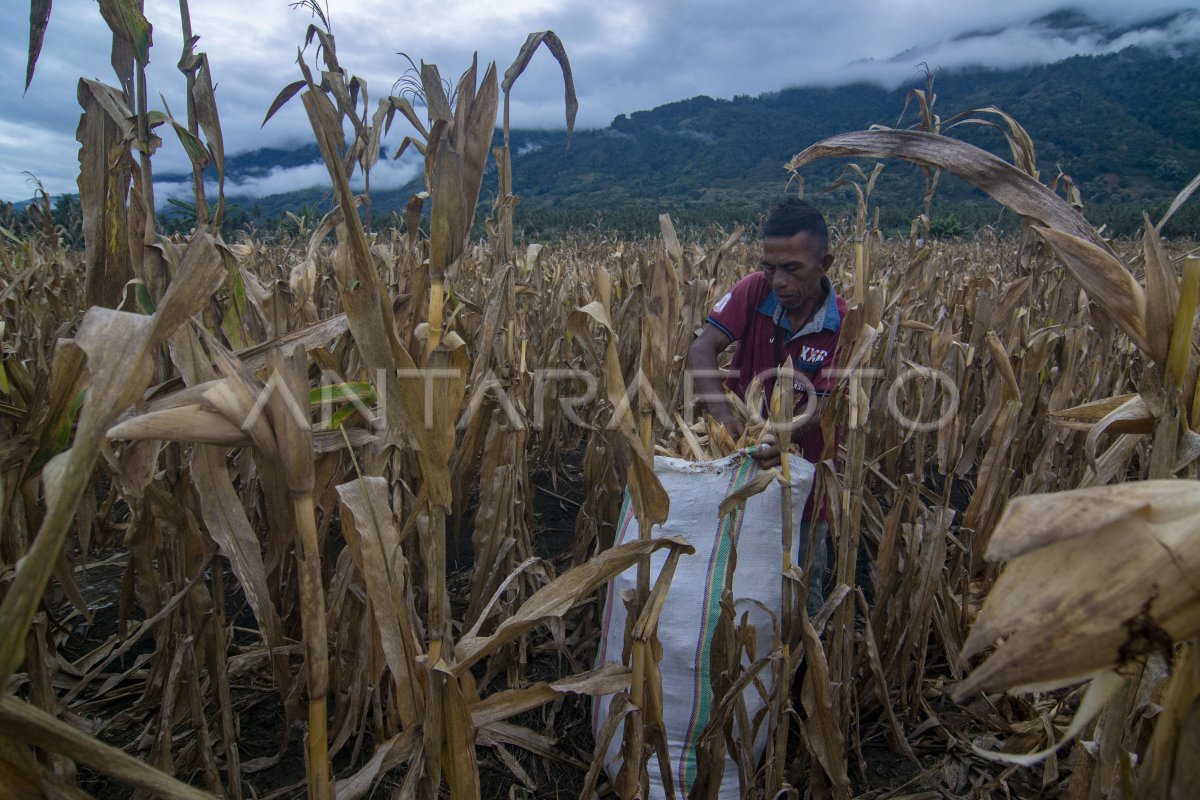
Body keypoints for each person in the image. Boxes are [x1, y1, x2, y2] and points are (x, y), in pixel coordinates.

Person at [689, 197, 844, 607]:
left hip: (804, 484)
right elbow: (702, 351)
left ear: (824, 263)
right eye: (769, 266)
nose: (777, 280)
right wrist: (725, 417)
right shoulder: (754, 291)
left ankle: (799, 670)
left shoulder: (843, 325)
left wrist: (779, 436)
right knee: (727, 584)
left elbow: (823, 408)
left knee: (799, 594)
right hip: (738, 471)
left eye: (791, 268)